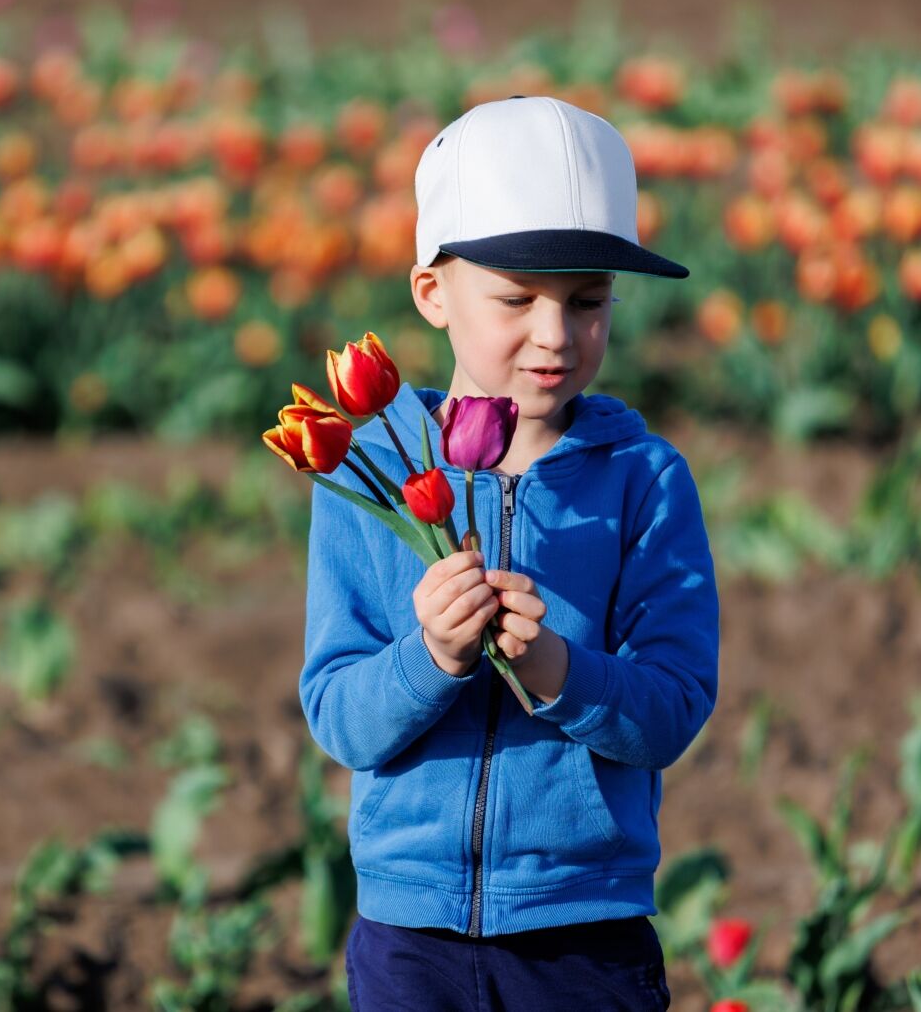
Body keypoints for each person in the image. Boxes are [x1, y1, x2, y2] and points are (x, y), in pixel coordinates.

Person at [298, 94, 720, 1010]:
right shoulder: (369, 473)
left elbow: (676, 706)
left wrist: (562, 670)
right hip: (411, 935)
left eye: (589, 300)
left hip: (584, 932)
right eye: (516, 298)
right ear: (431, 292)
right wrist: (432, 658)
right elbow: (338, 713)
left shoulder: (643, 480)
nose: (555, 335)